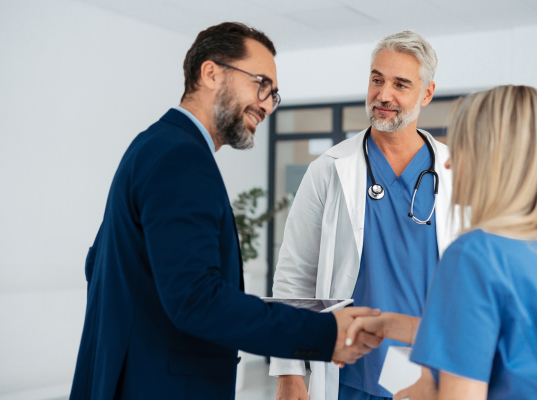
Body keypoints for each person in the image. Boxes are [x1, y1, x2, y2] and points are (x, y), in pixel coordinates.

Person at [69, 22, 382, 400]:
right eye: (260, 84)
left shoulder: (154, 146)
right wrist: (325, 333)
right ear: (211, 73)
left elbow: (109, 269)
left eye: (274, 95)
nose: (267, 104)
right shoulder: (180, 158)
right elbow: (196, 300)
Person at [346, 85, 537, 400]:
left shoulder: (476, 254)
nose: (449, 165)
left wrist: (420, 393)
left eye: (461, 147)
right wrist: (391, 324)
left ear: (492, 159)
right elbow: (505, 343)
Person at [270, 31, 459, 400]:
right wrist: (289, 372)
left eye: (400, 84)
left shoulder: (457, 171)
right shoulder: (330, 169)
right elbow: (295, 276)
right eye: (377, 80)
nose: (383, 94)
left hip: (433, 376)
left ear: (427, 93)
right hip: (353, 375)